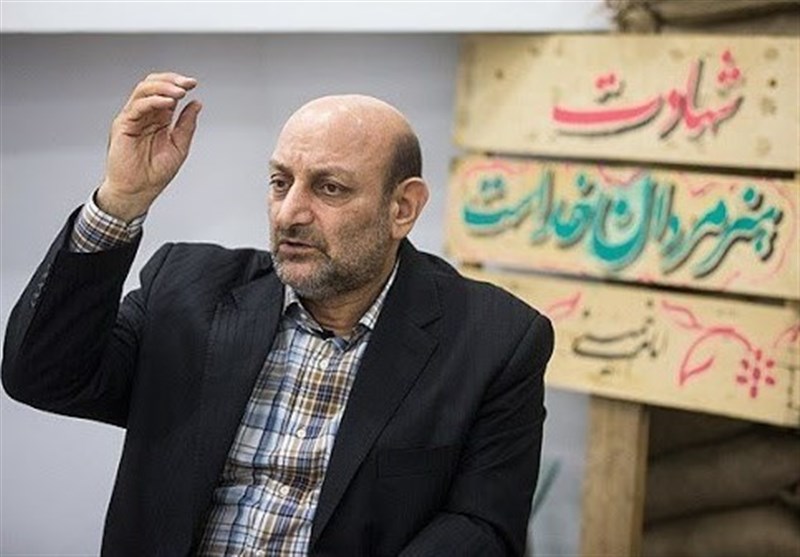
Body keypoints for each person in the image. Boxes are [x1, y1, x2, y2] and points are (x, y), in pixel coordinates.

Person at [2, 72, 554, 557]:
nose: (290, 213)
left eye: (329, 188)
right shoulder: (188, 291)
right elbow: (44, 377)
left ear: (402, 208)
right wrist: (121, 200)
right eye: (280, 182)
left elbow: (481, 527)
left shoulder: (493, 340)